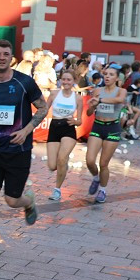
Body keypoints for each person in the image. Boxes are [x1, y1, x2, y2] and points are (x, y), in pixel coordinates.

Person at [0, 39, 47, 258]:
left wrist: (26, 130)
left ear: (11, 57)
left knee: (12, 201)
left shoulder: (24, 82)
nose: (2, 57)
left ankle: (28, 201)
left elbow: (42, 107)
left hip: (19, 150)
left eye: (6, 54)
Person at [84, 65, 127, 204]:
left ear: (116, 77)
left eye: (111, 74)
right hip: (98, 126)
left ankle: (103, 190)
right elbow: (89, 113)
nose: (107, 77)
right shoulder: (97, 90)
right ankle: (96, 178)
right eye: (106, 74)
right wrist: (93, 105)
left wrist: (100, 101)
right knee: (90, 160)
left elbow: (119, 100)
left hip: (113, 128)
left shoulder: (121, 91)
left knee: (103, 163)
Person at [45, 69, 83, 201]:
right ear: (60, 80)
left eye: (69, 80)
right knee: (52, 165)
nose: (66, 82)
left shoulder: (77, 98)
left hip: (68, 128)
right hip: (54, 127)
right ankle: (63, 165)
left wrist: (75, 121)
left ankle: (57, 190)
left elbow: (79, 121)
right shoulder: (54, 94)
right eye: (64, 79)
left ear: (74, 82)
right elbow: (44, 110)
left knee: (61, 158)